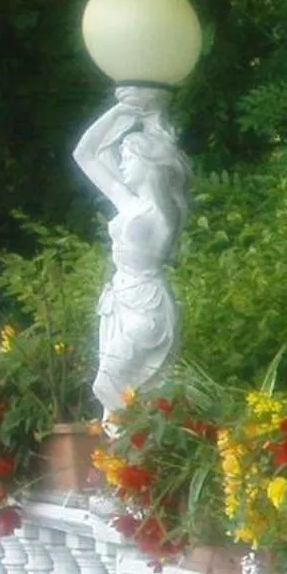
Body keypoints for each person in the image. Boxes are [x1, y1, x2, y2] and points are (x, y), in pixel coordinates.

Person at [72, 86, 189, 420]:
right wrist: (123, 110)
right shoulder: (130, 203)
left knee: (113, 388)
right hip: (120, 303)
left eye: (127, 158)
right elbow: (86, 154)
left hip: (146, 306)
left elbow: (163, 154)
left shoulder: (163, 214)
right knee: (119, 401)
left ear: (150, 165)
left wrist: (153, 117)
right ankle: (124, 466)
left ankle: (134, 462)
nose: (120, 165)